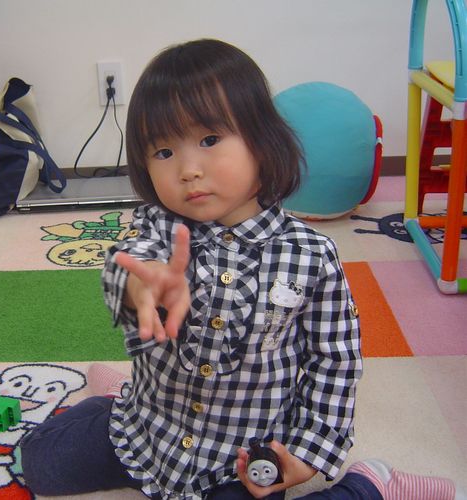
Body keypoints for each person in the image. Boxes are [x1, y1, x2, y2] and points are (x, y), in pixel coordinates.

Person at [20, 38, 362, 498]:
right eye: (163, 152)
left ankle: (367, 485)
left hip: (240, 460)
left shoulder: (311, 255)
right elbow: (130, 262)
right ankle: (115, 398)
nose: (187, 169)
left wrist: (307, 452)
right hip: (146, 433)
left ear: (263, 139)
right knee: (39, 463)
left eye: (209, 140)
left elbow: (335, 360)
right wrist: (139, 288)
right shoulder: (158, 225)